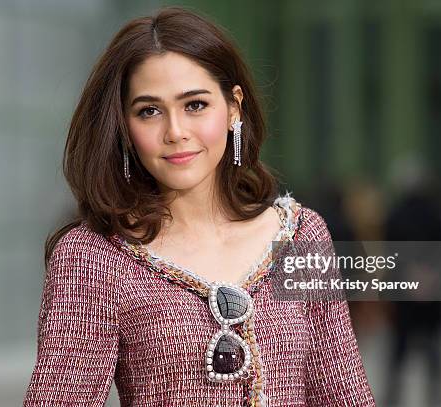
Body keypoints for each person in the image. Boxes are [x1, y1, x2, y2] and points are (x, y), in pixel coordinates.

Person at [22, 6, 375, 407]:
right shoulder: (93, 257)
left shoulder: (301, 236)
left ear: (234, 108)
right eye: (149, 111)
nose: (175, 132)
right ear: (125, 126)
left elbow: (345, 395)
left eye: (195, 105)